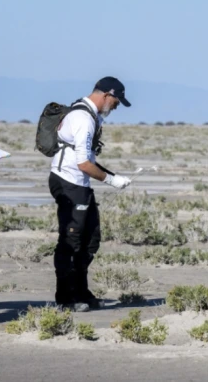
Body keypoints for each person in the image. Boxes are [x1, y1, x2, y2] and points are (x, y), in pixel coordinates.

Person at [49, 76, 132, 312]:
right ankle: (66, 298)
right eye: (117, 101)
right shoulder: (83, 118)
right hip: (69, 182)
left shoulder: (89, 114)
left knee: (90, 239)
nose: (116, 106)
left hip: (79, 184)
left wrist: (111, 176)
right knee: (71, 241)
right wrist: (112, 180)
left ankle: (81, 291)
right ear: (107, 95)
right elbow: (84, 163)